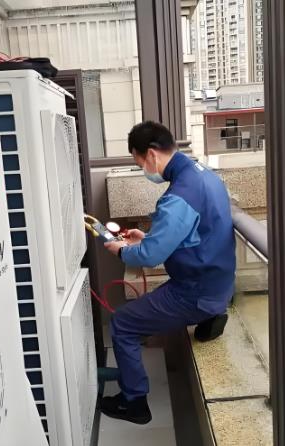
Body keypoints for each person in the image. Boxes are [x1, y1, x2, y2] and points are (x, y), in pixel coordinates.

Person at [100, 121, 236, 424]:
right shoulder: (206, 176)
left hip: (194, 292)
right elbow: (194, 233)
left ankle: (134, 402)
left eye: (139, 163)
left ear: (151, 154)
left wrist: (121, 250)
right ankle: (213, 315)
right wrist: (146, 238)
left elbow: (151, 257)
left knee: (122, 324)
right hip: (221, 283)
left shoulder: (178, 196)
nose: (143, 170)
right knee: (146, 312)